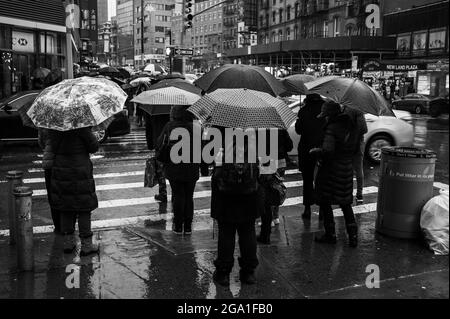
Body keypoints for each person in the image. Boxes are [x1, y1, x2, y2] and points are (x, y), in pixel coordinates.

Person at [210, 127, 263, 286]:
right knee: (248, 234)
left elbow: (216, 175)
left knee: (226, 235)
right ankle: (248, 273)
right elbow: (259, 174)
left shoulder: (222, 147)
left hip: (226, 200)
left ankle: (223, 273)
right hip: (248, 199)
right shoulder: (254, 147)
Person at [310, 101, 359, 248]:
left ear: (330, 115)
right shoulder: (352, 127)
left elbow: (328, 151)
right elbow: (355, 149)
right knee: (345, 203)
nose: (324, 118)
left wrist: (316, 151)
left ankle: (330, 234)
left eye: (325, 115)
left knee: (325, 202)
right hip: (347, 169)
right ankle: (353, 237)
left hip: (331, 171)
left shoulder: (332, 128)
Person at [48, 128, 100, 255]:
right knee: (84, 207)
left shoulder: (54, 128)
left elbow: (47, 145)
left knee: (65, 207)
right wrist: (94, 136)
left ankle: (68, 243)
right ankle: (86, 246)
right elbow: (94, 147)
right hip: (80, 170)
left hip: (61, 170)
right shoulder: (82, 127)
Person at [156, 105, 200, 235]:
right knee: (189, 196)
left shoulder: (169, 126)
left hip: (174, 167)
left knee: (178, 195)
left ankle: (178, 225)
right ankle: (188, 227)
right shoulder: (196, 127)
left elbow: (159, 143)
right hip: (192, 167)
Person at [257, 129, 293, 245]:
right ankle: (276, 216)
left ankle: (268, 220)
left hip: (266, 163)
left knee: (266, 193)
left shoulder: (259, 129)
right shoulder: (281, 128)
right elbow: (290, 146)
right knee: (276, 188)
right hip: (280, 162)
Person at [295, 94, 326, 219]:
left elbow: (298, 130)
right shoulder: (324, 110)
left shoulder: (303, 110)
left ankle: (307, 209)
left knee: (307, 180)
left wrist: (299, 119)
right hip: (321, 149)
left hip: (306, 149)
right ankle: (322, 210)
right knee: (321, 180)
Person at [344, 106, 368, 205]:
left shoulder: (348, 108)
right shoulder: (357, 109)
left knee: (349, 169)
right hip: (357, 143)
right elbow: (364, 129)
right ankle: (359, 194)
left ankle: (351, 193)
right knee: (358, 168)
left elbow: (363, 128)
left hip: (352, 143)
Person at [38, 129, 60, 233]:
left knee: (53, 195)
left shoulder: (45, 122)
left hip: (49, 163)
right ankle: (68, 226)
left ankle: (58, 225)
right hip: (65, 163)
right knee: (67, 194)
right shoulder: (74, 122)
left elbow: (41, 143)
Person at [144, 112, 170, 203]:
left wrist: (150, 144)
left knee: (160, 169)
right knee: (173, 167)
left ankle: (163, 193)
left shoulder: (152, 107)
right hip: (172, 140)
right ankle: (175, 193)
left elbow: (149, 127)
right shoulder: (173, 105)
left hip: (158, 141)